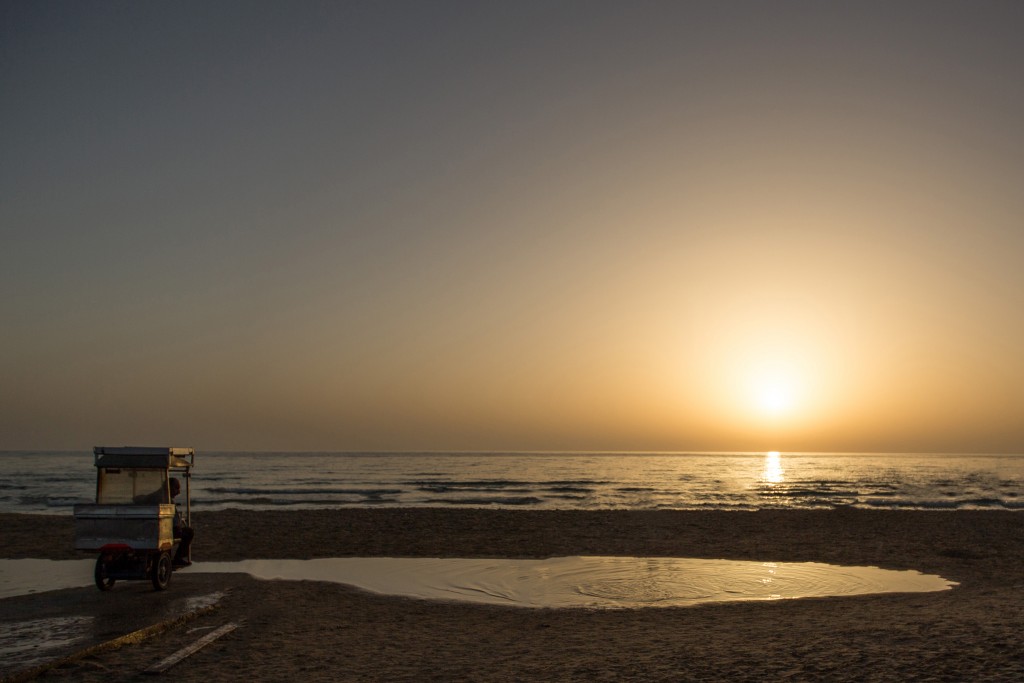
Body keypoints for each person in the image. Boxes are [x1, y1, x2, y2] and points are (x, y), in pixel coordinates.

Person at [169, 478, 194, 567]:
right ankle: (178, 558)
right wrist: (177, 527)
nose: (178, 492)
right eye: (176, 488)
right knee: (188, 532)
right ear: (169, 487)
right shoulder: (167, 500)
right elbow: (174, 522)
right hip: (169, 531)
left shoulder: (162, 497)